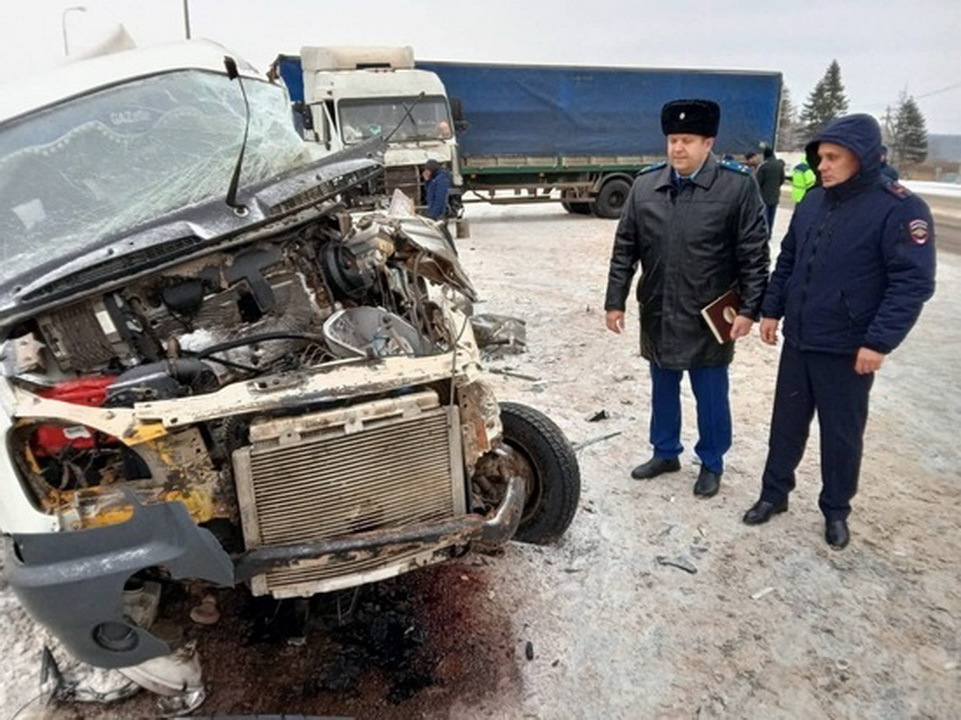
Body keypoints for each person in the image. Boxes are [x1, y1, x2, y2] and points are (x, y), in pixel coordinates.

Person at [744, 114, 936, 549]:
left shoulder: (898, 208)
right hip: (801, 339)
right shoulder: (813, 200)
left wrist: (878, 341)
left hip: (849, 349)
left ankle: (835, 510)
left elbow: (912, 282)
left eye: (833, 158)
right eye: (820, 157)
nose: (822, 166)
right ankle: (774, 495)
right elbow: (789, 259)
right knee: (786, 426)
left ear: (861, 158)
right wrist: (771, 311)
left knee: (841, 436)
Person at [604, 99, 769, 498]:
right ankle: (665, 452)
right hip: (659, 307)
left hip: (709, 315)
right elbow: (625, 248)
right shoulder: (645, 186)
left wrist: (749, 309)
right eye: (673, 140)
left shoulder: (736, 186)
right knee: (663, 386)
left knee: (710, 392)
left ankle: (711, 461)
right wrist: (615, 300)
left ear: (708, 143)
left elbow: (754, 253)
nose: (677, 148)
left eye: (688, 140)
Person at [755, 147, 786, 236]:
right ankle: (770, 233)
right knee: (771, 216)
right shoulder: (779, 165)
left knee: (764, 216)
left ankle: (764, 234)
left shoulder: (763, 166)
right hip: (775, 196)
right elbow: (782, 179)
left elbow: (757, 182)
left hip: (764, 197)